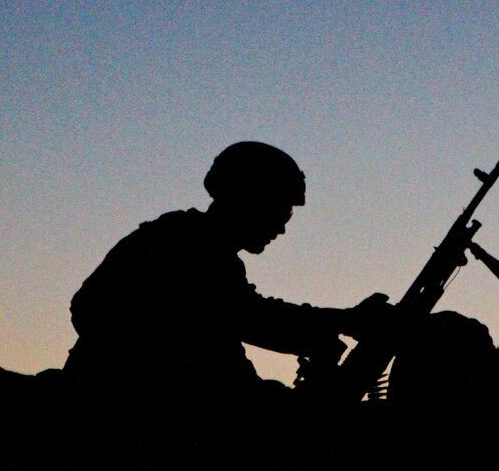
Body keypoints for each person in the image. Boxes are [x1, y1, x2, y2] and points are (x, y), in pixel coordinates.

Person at [61, 140, 388, 421]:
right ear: (248, 201)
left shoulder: (196, 246)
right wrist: (345, 322)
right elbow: (250, 319)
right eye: (279, 212)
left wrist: (339, 324)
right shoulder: (181, 245)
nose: (282, 227)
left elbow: (245, 317)